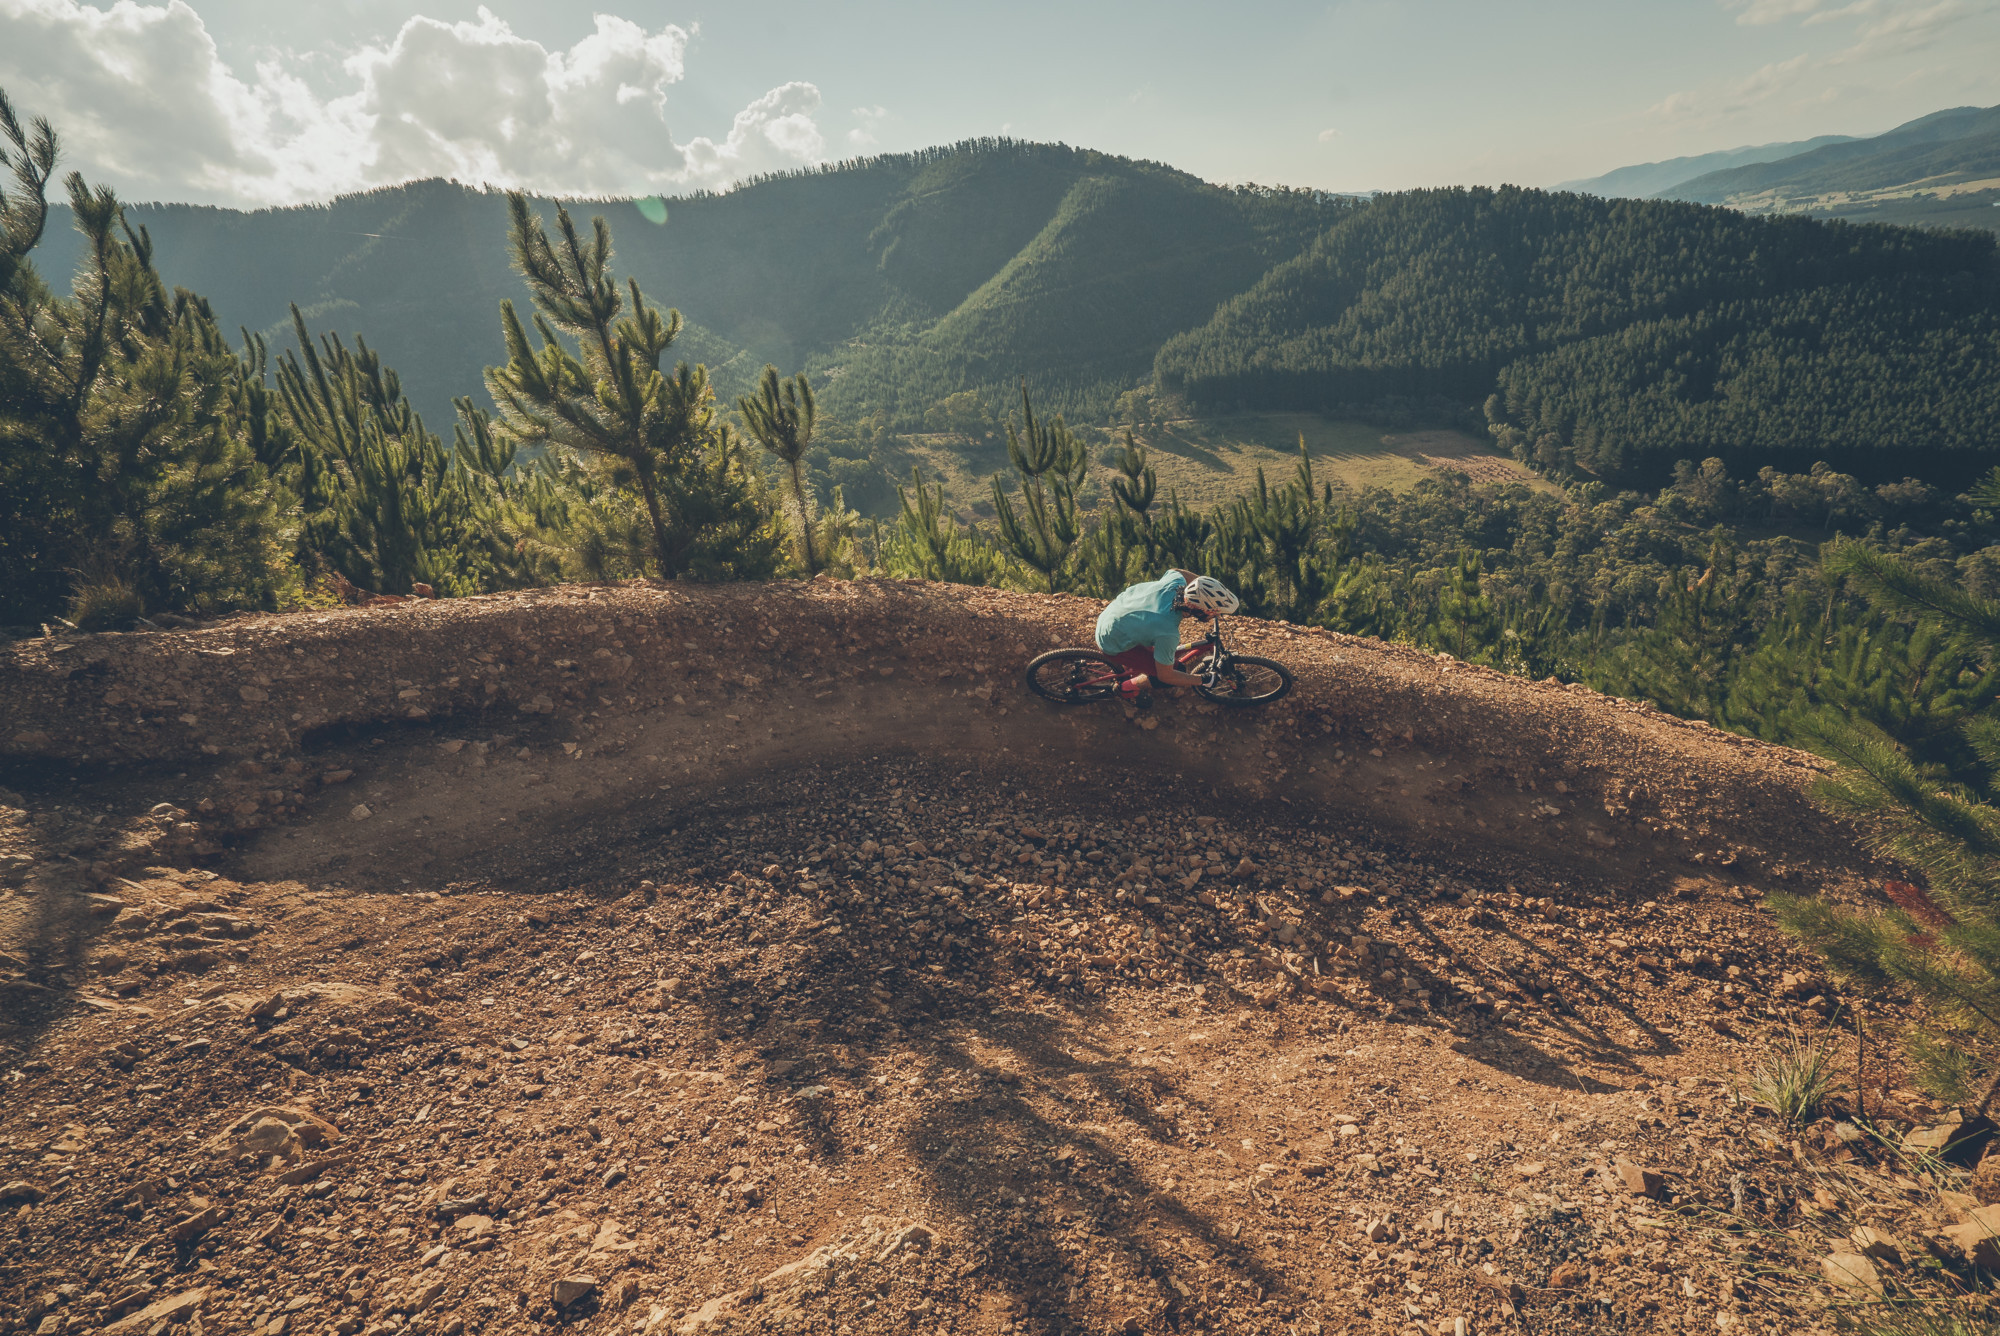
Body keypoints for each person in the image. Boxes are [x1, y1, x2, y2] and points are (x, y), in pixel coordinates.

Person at [1094, 569, 1241, 705]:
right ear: (1200, 610)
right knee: (1177, 671)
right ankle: (1125, 688)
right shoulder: (1168, 633)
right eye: (1214, 612)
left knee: (1160, 651)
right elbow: (1166, 676)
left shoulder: (1175, 583)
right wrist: (1202, 680)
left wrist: (1201, 584)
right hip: (1111, 639)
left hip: (1115, 613)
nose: (1217, 615)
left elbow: (1177, 571)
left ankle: (1136, 667)